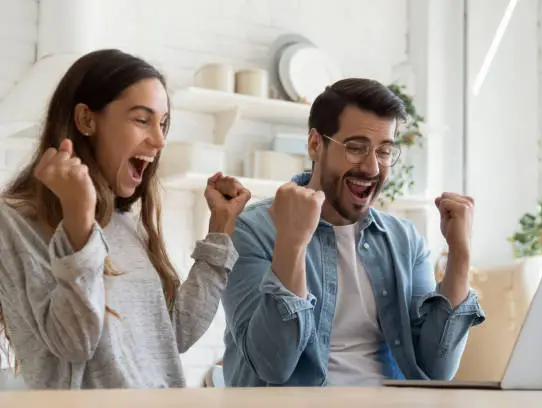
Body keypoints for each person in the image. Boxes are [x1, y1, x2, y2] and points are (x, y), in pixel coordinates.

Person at [0, 49, 251, 389]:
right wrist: (79, 223)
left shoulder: (125, 221)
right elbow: (73, 344)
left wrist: (220, 231)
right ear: (87, 119)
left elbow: (172, 337)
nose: (160, 140)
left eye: (162, 124)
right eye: (141, 119)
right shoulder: (12, 222)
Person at [221, 78, 485, 387]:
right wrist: (292, 243)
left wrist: (460, 254)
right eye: (356, 148)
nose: (372, 168)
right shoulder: (253, 230)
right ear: (315, 144)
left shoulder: (404, 240)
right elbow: (272, 364)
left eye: (384, 152)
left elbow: (437, 369)